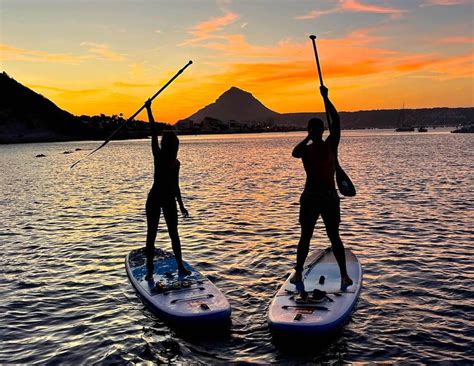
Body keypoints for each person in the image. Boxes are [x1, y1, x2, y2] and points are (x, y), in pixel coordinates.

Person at [290, 86, 353, 288]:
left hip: (329, 198)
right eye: (312, 130)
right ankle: (298, 273)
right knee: (305, 237)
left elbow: (337, 121)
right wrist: (309, 136)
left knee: (334, 236)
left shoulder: (331, 144)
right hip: (310, 198)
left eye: (319, 130)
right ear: (309, 131)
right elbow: (295, 153)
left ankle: (344, 274)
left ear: (323, 131)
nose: (316, 133)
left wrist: (326, 99)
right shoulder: (306, 150)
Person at [144, 99, 190, 281]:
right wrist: (149, 110)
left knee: (174, 234)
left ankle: (180, 266)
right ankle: (149, 271)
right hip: (155, 199)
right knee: (152, 234)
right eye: (176, 146)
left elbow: (176, 186)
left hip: (169, 199)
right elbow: (154, 132)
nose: (177, 149)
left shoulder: (176, 163)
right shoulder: (159, 156)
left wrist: (182, 206)